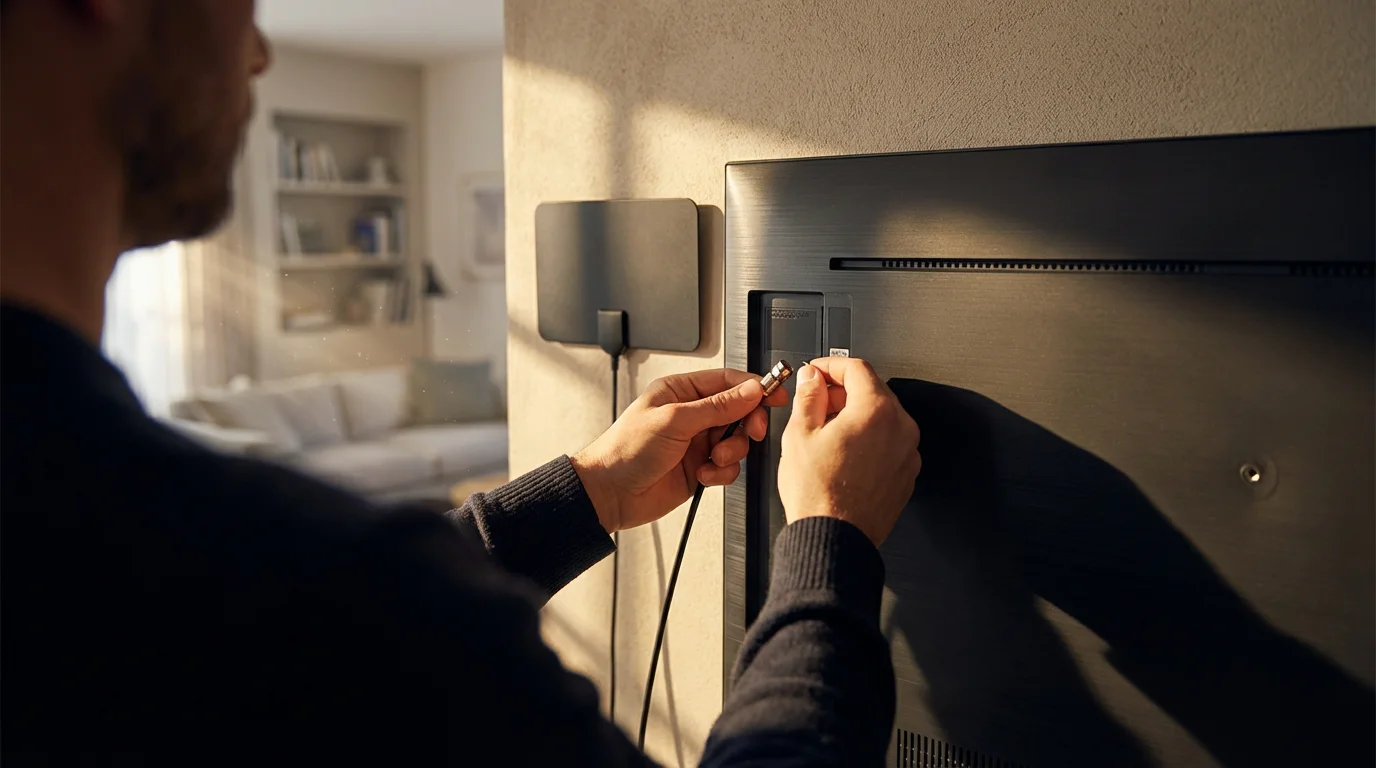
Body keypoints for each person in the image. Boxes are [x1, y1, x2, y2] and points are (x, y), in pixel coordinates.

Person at [0, 1, 922, 764]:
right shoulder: (317, 595)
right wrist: (831, 538)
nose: (257, 50)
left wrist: (588, 492)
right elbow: (343, 631)